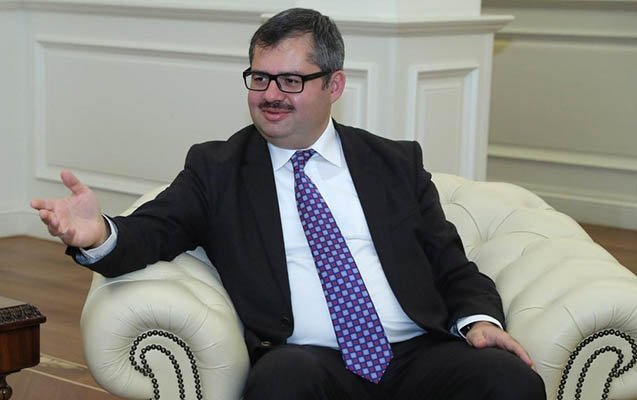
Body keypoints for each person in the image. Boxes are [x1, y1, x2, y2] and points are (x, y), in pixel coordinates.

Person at [31, 8, 546, 400]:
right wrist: (99, 233)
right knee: (280, 383)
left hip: (417, 350)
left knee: (508, 379)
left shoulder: (393, 163)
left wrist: (480, 322)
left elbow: (451, 263)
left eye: (291, 81)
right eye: (260, 78)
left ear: (334, 85)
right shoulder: (218, 169)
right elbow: (154, 230)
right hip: (307, 359)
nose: (271, 94)